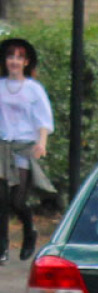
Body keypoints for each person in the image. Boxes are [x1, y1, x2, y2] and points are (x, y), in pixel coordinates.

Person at [0, 37, 53, 264]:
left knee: (17, 201)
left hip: (23, 149)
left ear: (26, 62)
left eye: (19, 57)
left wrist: (41, 143)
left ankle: (29, 231)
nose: (14, 61)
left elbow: (43, 119)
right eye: (11, 56)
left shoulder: (33, 89)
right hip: (2, 147)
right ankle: (2, 248)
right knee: (1, 199)